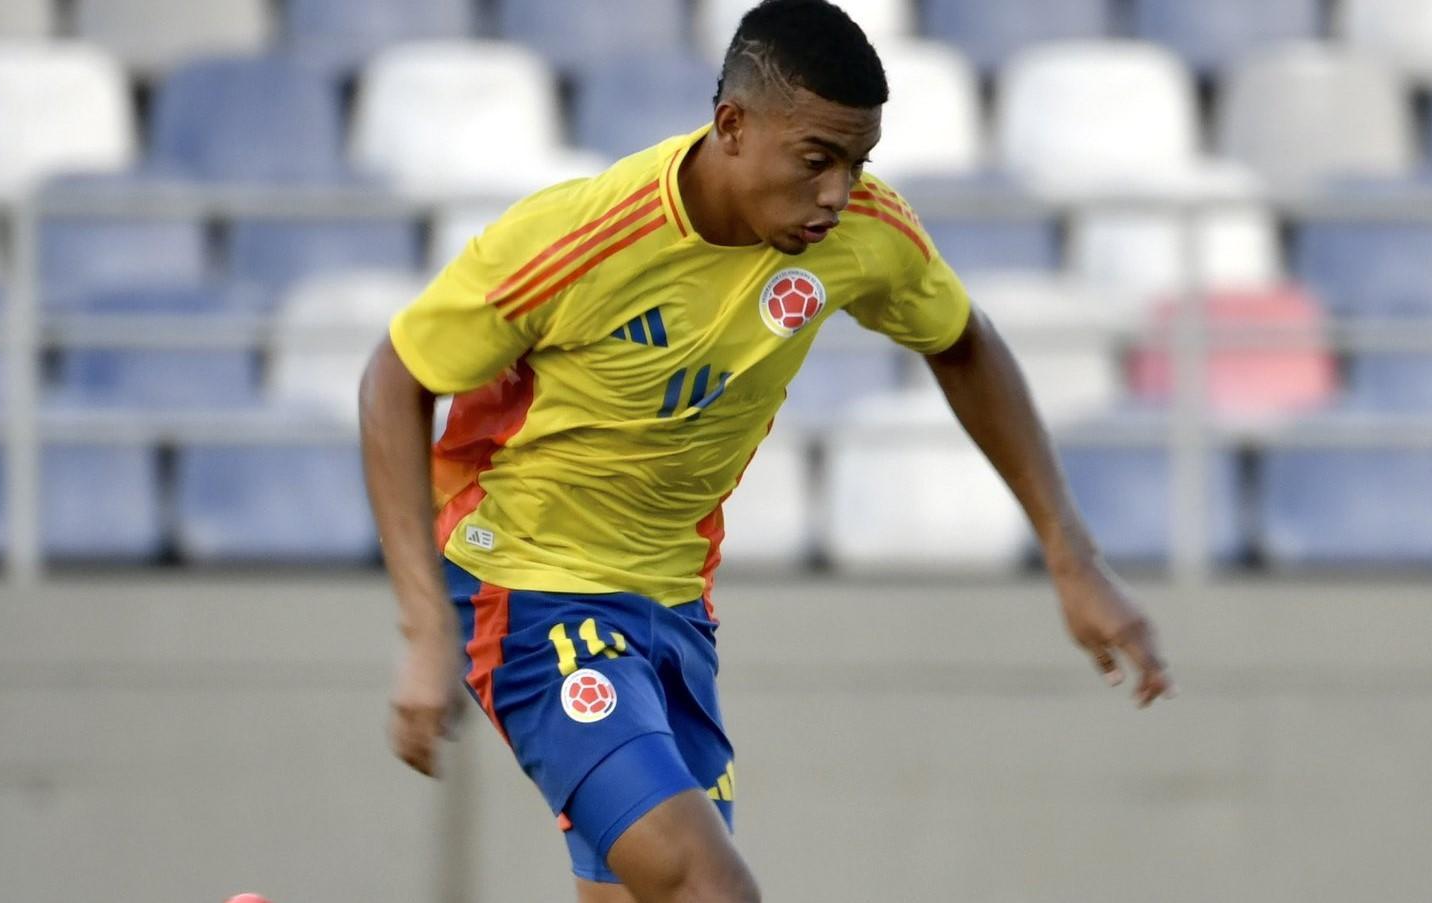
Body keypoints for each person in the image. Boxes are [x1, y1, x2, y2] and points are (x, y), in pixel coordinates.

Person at [359, 1, 1172, 899]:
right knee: (710, 887)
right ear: (732, 126)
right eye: (816, 160)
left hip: (673, 605)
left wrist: (1071, 552)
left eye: (857, 163)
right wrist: (425, 626)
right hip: (525, 586)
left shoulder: (863, 230)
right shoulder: (582, 237)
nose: (837, 192)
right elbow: (395, 377)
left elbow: (964, 344)